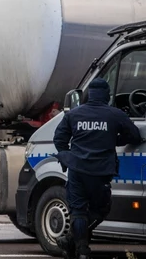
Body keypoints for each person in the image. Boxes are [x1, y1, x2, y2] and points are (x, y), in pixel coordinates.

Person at [53, 78, 144, 259]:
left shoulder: (74, 114)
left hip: (77, 170)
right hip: (100, 172)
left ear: (89, 94)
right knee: (101, 209)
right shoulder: (115, 114)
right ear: (107, 95)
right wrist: (114, 140)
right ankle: (77, 243)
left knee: (78, 210)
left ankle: (80, 248)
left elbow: (59, 139)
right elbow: (134, 136)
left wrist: (67, 156)